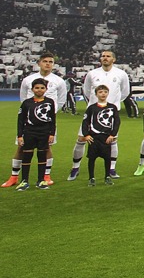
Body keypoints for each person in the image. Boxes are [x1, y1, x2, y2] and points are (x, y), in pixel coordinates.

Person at [4, 52, 66, 188]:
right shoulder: (28, 80)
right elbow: (23, 99)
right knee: (21, 147)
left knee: (47, 147)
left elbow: (61, 100)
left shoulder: (59, 81)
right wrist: (32, 113)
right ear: (39, 63)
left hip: (46, 123)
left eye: (50, 62)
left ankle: (46, 176)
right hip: (29, 123)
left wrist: (49, 114)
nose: (48, 64)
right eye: (45, 61)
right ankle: (14, 177)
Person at [80, 50, 131, 179]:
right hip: (94, 112)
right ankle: (75, 168)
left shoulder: (121, 74)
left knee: (112, 140)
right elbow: (86, 91)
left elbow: (125, 92)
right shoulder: (92, 73)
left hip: (110, 113)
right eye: (103, 56)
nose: (105, 58)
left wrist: (112, 104)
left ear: (113, 59)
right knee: (82, 138)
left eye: (108, 56)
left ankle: (112, 169)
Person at [15, 78, 56, 191]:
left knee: (42, 156)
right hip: (29, 132)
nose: (39, 90)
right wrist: (19, 135)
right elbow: (20, 120)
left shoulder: (49, 102)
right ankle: (24, 181)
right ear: (32, 89)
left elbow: (53, 119)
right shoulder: (26, 103)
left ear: (46, 89)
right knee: (27, 156)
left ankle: (41, 180)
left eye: (42, 88)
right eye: (37, 88)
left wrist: (52, 133)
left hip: (44, 133)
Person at [79, 84, 120, 186]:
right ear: (96, 94)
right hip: (94, 137)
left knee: (107, 158)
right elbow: (85, 122)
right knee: (92, 158)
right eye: (100, 92)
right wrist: (86, 135)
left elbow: (117, 122)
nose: (103, 94)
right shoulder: (92, 108)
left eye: (105, 92)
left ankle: (107, 176)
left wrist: (112, 135)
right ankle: (91, 178)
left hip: (106, 137)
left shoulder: (112, 107)